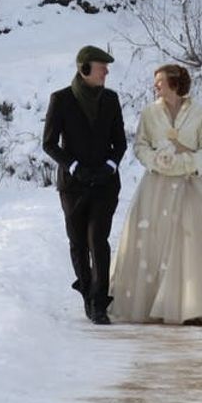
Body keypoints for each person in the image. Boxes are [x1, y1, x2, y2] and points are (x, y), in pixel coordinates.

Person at [109, 63, 202, 325]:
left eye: (159, 81)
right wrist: (156, 160)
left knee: (192, 243)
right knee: (154, 241)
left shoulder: (200, 112)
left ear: (174, 82)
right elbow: (140, 146)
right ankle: (152, 303)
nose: (155, 86)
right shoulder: (149, 113)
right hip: (156, 186)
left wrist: (187, 164)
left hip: (191, 186)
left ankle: (193, 306)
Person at [42, 45, 127, 324]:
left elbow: (120, 142)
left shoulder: (111, 99)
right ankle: (88, 293)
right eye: (102, 66)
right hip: (73, 186)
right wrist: (74, 166)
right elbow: (49, 143)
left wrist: (110, 166)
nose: (107, 71)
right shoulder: (61, 99)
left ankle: (99, 302)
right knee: (78, 242)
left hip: (105, 184)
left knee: (97, 240)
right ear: (85, 68)